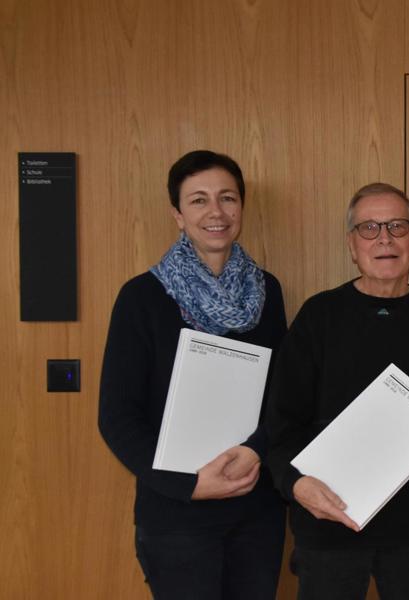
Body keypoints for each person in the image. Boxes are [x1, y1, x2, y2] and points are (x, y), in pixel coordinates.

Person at [264, 182, 409, 600]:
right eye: (369, 228)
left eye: (397, 226)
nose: (384, 238)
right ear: (352, 244)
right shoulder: (318, 317)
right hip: (328, 525)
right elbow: (281, 423)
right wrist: (293, 484)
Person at [98, 150, 288, 599]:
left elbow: (282, 394)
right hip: (175, 514)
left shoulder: (268, 291)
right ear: (178, 215)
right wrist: (189, 485)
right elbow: (117, 417)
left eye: (227, 198)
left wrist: (256, 451)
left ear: (241, 207)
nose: (216, 212)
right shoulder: (142, 297)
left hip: (255, 508)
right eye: (199, 200)